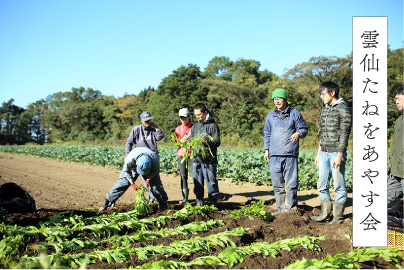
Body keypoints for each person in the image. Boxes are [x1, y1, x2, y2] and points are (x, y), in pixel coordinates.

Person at [311, 81, 352, 224]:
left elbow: (344, 135)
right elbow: (323, 134)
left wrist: (340, 155)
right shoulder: (325, 109)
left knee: (338, 186)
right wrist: (319, 153)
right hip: (324, 153)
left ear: (332, 93)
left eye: (323, 94)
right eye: (320, 94)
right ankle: (325, 213)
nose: (321, 97)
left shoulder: (344, 109)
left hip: (336, 153)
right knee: (322, 184)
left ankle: (338, 217)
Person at [264, 88, 308, 215]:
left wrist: (299, 133)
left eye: (279, 98)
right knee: (277, 184)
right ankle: (281, 209)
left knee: (291, 184)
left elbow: (304, 129)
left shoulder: (295, 113)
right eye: (275, 99)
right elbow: (267, 133)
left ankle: (290, 210)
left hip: (290, 154)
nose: (277, 101)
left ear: (285, 99)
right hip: (274, 155)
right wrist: (266, 149)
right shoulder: (270, 116)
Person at [99, 147, 168, 211]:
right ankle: (108, 201)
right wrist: (132, 183)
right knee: (122, 183)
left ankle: (160, 203)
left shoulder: (155, 159)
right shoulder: (130, 159)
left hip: (149, 168)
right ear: (137, 161)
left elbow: (155, 171)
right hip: (133, 166)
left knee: (155, 185)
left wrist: (148, 179)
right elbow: (126, 171)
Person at [187, 103, 221, 207]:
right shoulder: (195, 126)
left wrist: (205, 142)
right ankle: (199, 204)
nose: (197, 117)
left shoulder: (213, 126)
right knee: (197, 183)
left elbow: (217, 142)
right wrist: (188, 142)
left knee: (211, 182)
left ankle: (213, 205)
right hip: (196, 159)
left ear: (205, 113)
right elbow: (191, 138)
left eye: (199, 115)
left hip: (209, 160)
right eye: (196, 115)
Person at [387, 85, 404, 210]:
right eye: (395, 99)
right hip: (396, 171)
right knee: (386, 202)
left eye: (399, 98)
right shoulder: (399, 120)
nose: (396, 101)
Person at [174, 108, 193, 204]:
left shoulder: (194, 127)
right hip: (181, 155)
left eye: (184, 117)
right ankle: (185, 198)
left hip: (192, 155)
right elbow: (176, 143)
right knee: (183, 176)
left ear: (189, 116)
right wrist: (180, 142)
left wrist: (188, 140)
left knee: (195, 176)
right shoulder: (177, 129)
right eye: (181, 118)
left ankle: (199, 198)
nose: (183, 119)